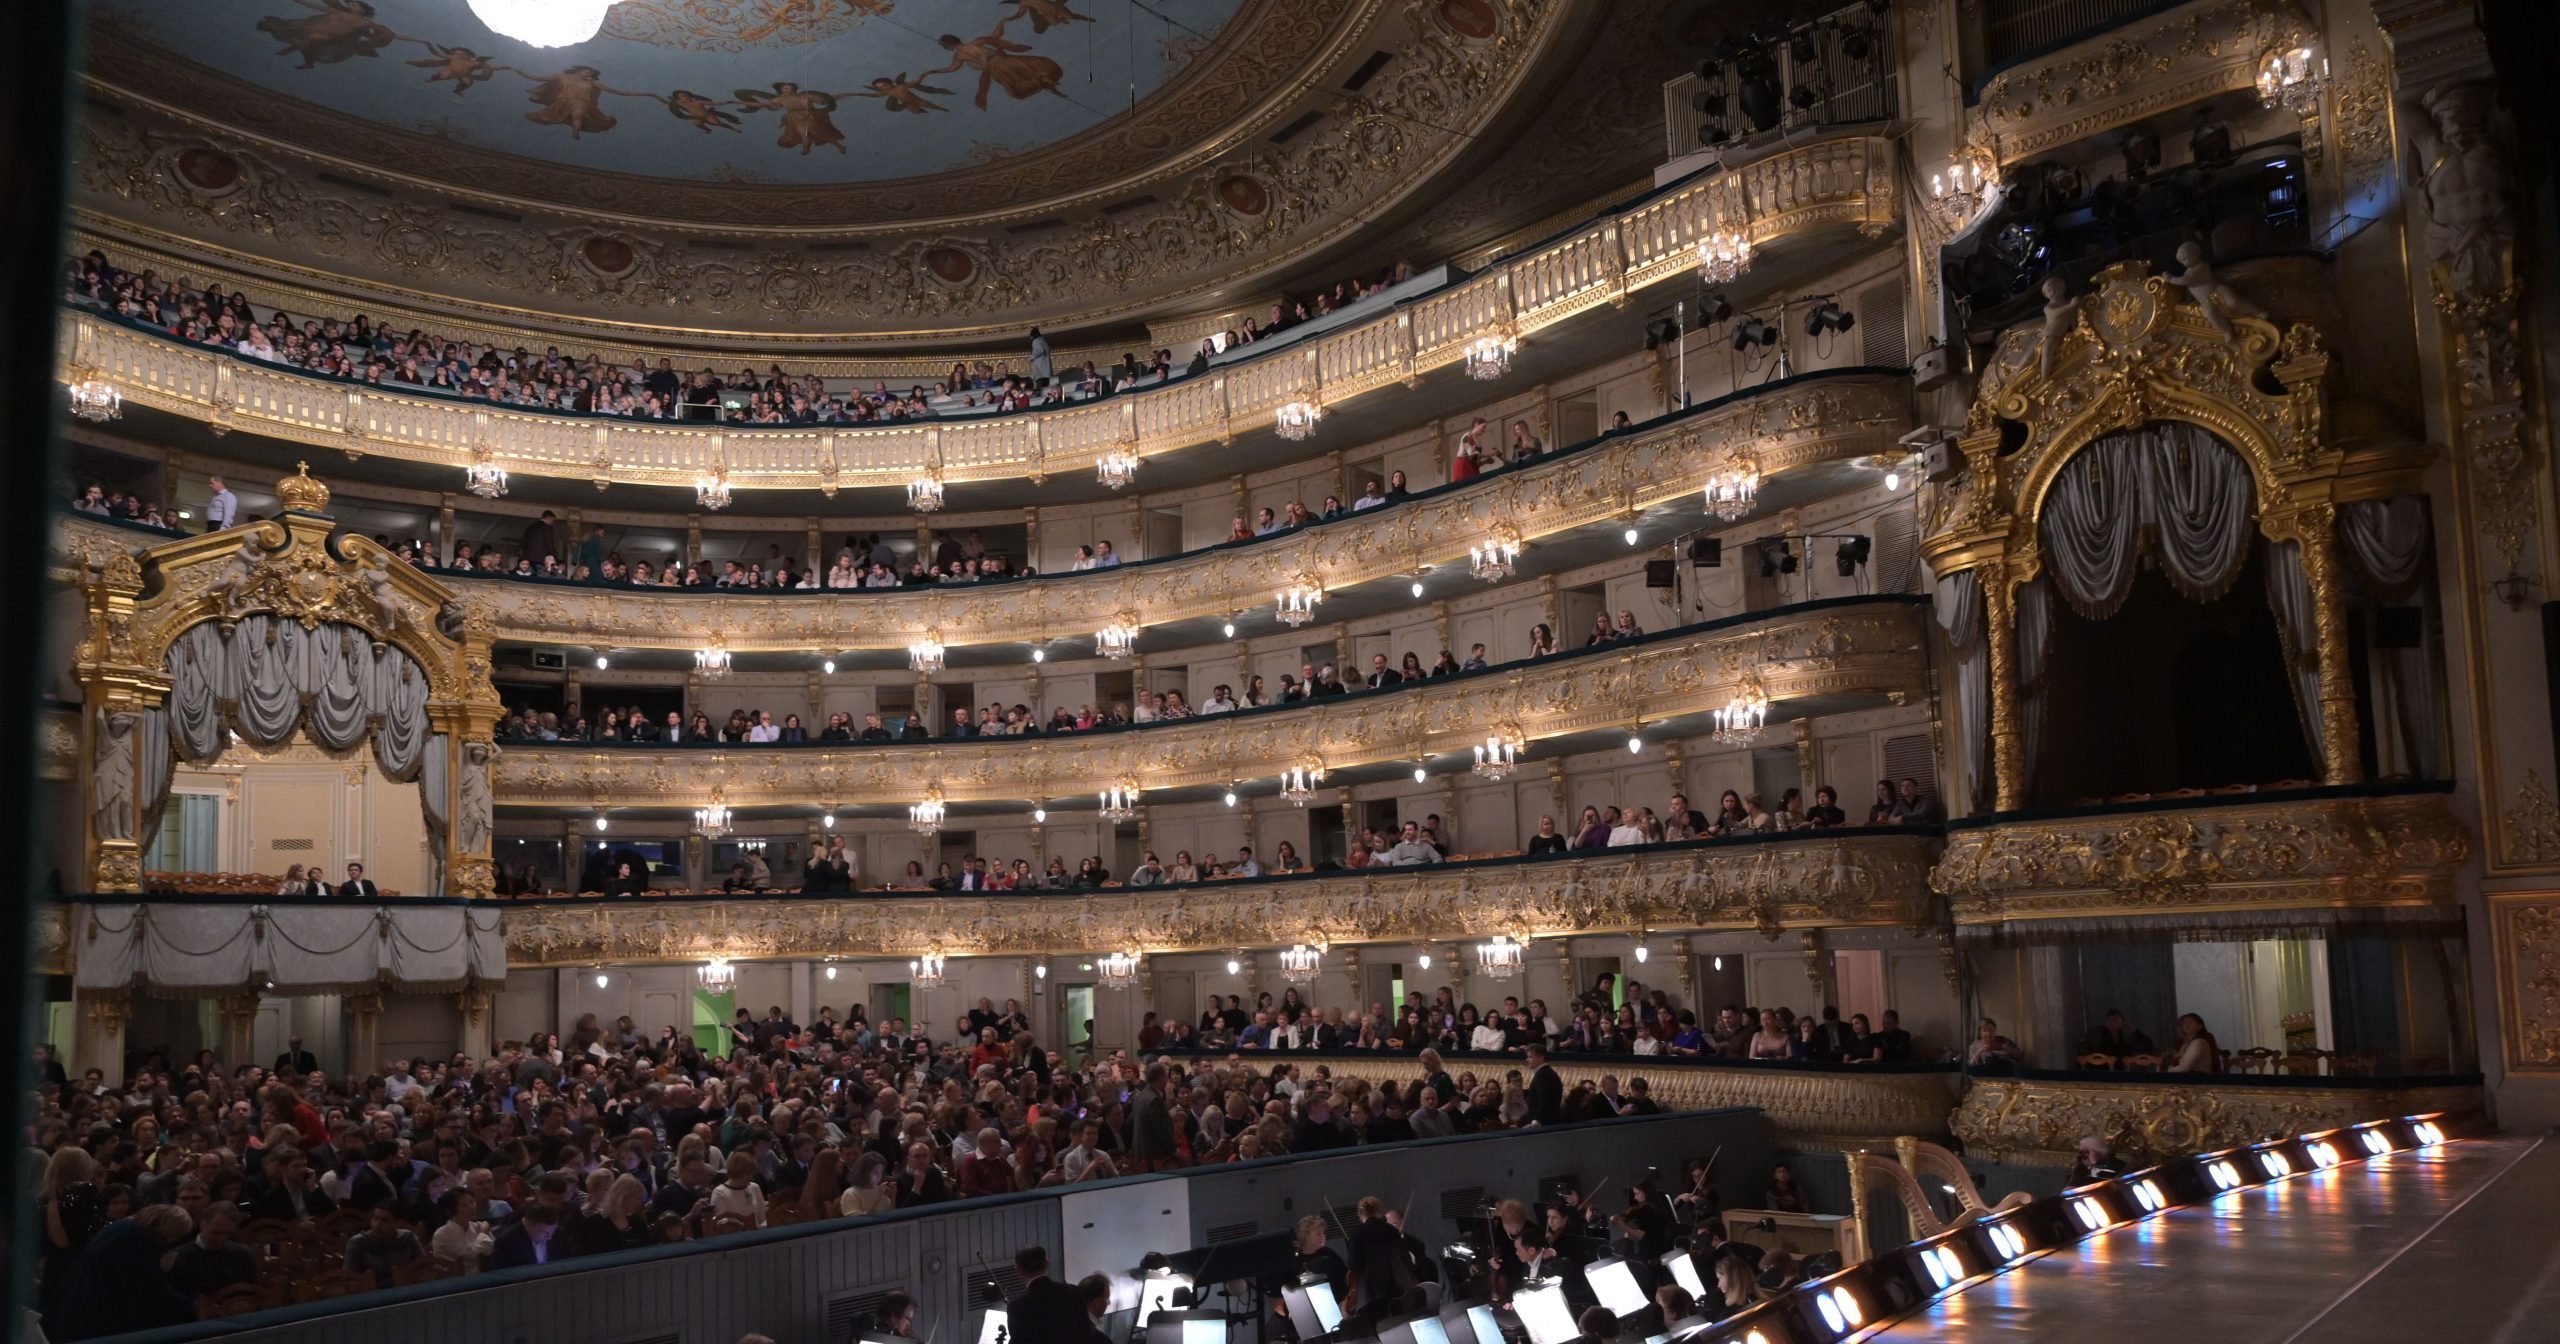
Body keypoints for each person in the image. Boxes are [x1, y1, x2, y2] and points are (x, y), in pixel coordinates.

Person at [44, 1205, 198, 1341]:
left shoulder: (126, 1229)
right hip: (93, 1315)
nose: (176, 1240)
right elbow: (148, 1286)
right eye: (176, 1235)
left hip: (79, 1303)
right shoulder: (135, 1243)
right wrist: (191, 1305)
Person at [2079, 1009, 2156, 1063]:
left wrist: (2136, 1032)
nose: (2112, 1022)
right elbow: (2086, 1047)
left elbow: (2148, 1045)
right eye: (2109, 1019)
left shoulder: (2127, 1036)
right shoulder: (2098, 1034)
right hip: (2102, 1070)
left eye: (2115, 1019)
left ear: (2122, 1022)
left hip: (2124, 1070)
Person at [1523, 1044, 1563, 1125]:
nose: (1527, 1059)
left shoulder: (1543, 1075)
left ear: (1541, 1058)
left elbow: (1545, 1100)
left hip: (1544, 1124)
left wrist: (1536, 1120)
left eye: (1530, 1057)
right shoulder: (1546, 1073)